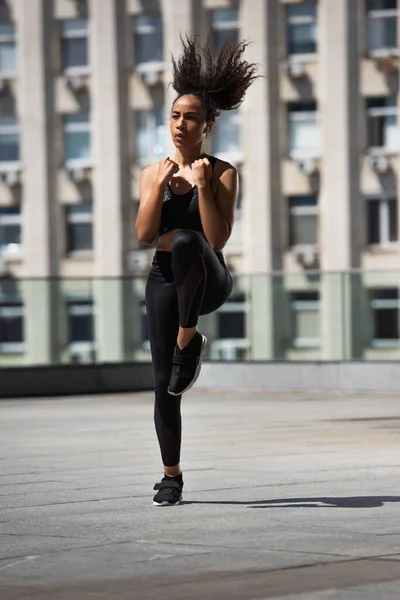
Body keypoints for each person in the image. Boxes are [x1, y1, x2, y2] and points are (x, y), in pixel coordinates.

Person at [135, 35, 258, 506]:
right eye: (174, 115)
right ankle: (171, 476)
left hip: (208, 279)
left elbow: (218, 238)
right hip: (164, 278)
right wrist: (159, 188)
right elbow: (145, 234)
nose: (180, 124)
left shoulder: (223, 171)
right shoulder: (154, 172)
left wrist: (202, 186)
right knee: (164, 381)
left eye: (190, 117)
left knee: (188, 239)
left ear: (208, 124)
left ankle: (190, 338)